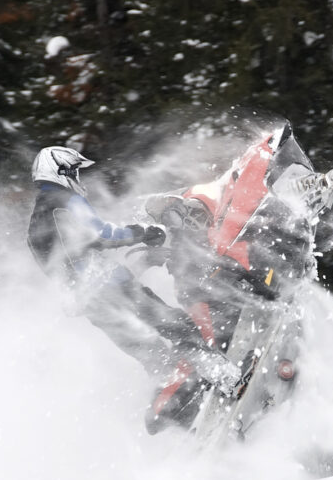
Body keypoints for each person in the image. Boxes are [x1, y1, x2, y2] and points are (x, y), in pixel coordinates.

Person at [26, 145, 240, 390]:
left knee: (147, 349)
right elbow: (102, 234)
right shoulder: (63, 200)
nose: (77, 178)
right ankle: (225, 377)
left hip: (87, 301)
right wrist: (143, 232)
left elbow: (64, 261)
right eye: (74, 171)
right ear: (60, 171)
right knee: (175, 324)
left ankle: (181, 397)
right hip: (109, 285)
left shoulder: (35, 224)